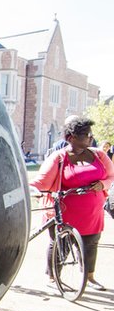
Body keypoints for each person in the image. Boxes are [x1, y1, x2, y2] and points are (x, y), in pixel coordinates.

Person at [30, 116, 114, 291]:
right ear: (71, 138)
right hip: (64, 212)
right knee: (60, 245)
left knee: (91, 244)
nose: (91, 138)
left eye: (91, 134)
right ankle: (53, 278)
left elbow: (111, 176)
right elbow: (41, 181)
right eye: (86, 135)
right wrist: (30, 190)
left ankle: (89, 277)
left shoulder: (99, 155)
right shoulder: (59, 158)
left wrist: (103, 184)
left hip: (92, 214)